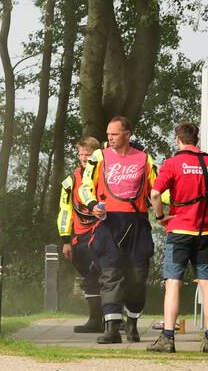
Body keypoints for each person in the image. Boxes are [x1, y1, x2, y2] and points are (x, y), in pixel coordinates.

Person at [147, 123, 208, 353]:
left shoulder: (173, 164)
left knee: (173, 282)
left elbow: (155, 193)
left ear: (178, 139)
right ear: (196, 140)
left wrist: (160, 216)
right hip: (204, 232)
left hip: (179, 232)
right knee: (206, 284)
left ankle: (168, 338)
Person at [79, 116, 157, 344]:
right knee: (110, 275)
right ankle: (111, 328)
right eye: (108, 134)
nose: (110, 138)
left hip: (137, 224)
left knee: (136, 278)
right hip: (108, 224)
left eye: (114, 134)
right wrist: (93, 205)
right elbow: (85, 187)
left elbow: (159, 190)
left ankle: (132, 323)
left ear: (127, 134)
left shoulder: (145, 159)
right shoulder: (98, 157)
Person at [57, 136, 103, 332]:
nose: (84, 158)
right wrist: (66, 240)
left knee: (107, 277)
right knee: (90, 280)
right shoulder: (70, 181)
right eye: (81, 154)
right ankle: (96, 320)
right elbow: (65, 211)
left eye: (88, 154)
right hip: (80, 237)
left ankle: (113, 320)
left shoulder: (104, 176)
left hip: (102, 234)